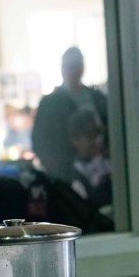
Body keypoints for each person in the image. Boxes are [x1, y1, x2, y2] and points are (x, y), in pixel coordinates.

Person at [31, 46, 109, 183]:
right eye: (68, 66)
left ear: (82, 68)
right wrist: (57, 170)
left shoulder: (98, 99)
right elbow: (40, 141)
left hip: (101, 172)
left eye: (75, 66)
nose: (72, 71)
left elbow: (110, 131)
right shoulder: (49, 104)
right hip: (65, 176)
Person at [67, 107, 112, 216]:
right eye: (90, 136)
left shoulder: (111, 161)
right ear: (75, 140)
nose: (98, 140)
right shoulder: (75, 179)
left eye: (99, 134)